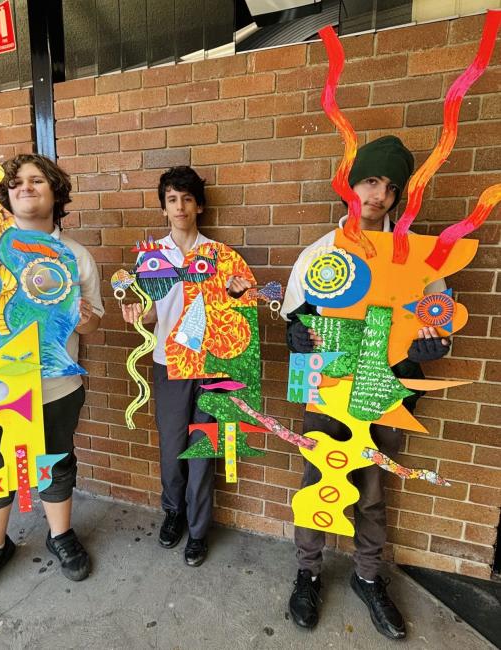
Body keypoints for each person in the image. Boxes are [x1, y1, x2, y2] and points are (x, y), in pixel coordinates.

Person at [281, 136, 450, 640]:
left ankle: (369, 576)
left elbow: (437, 321)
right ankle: (308, 571)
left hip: (386, 390)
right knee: (318, 480)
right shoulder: (320, 253)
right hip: (327, 387)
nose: (378, 194)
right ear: (349, 186)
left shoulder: (416, 257)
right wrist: (296, 336)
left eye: (389, 186)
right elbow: (297, 319)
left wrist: (430, 346)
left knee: (372, 492)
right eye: (369, 181)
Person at [0, 154, 104, 609]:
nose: (26, 187)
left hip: (55, 388)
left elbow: (92, 325)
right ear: (6, 195)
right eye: (17, 183)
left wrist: (82, 318)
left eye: (37, 180)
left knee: (52, 461)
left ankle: (60, 535)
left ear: (56, 193)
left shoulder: (75, 256)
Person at [121, 166, 251, 567]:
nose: (180, 207)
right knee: (172, 445)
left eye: (187, 199)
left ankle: (198, 530)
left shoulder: (222, 256)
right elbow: (149, 314)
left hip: (212, 365)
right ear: (164, 208)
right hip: (169, 363)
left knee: (203, 448)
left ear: (200, 206)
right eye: (172, 199)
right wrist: (135, 314)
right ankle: (173, 512)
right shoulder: (150, 256)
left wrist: (239, 294)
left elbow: (243, 309)